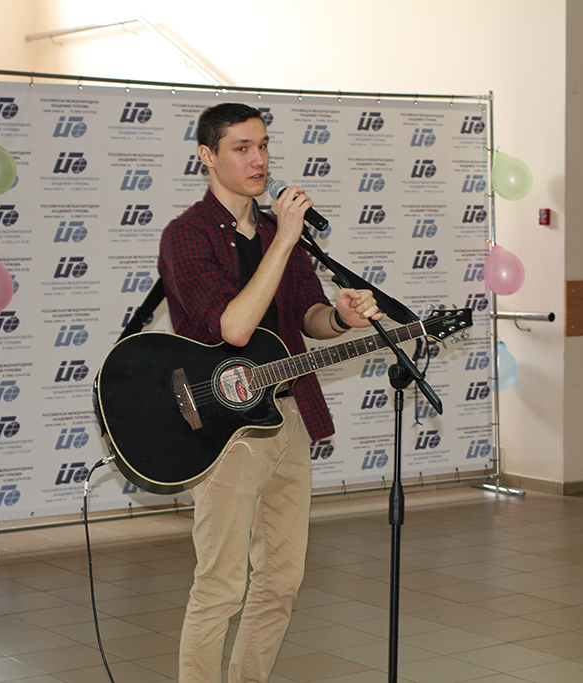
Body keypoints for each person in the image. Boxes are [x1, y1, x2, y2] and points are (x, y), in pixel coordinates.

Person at [158, 102, 381, 683]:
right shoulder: (187, 235)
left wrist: (342, 317)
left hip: (290, 413)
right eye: (241, 148)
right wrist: (283, 239)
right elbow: (232, 327)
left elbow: (307, 317)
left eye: (262, 145)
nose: (258, 159)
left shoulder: (279, 235)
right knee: (221, 586)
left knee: (281, 580)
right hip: (226, 430)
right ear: (207, 156)